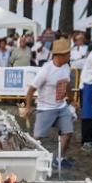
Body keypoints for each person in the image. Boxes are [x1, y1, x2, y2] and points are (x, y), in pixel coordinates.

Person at [25, 38, 75, 167]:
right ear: (60, 55)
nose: (69, 56)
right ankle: (29, 158)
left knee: (68, 133)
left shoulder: (66, 67)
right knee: (37, 138)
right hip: (45, 108)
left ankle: (59, 159)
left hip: (61, 106)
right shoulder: (46, 70)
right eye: (67, 54)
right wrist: (28, 107)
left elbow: (67, 85)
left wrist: (72, 100)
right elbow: (31, 90)